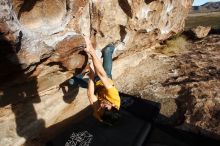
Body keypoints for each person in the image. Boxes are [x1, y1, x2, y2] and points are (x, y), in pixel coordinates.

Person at [69, 37, 121, 126]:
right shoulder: (114, 98)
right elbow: (102, 75)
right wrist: (91, 51)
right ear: (113, 105)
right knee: (107, 50)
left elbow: (90, 94)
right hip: (104, 80)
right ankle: (114, 46)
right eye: (105, 107)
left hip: (96, 88)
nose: (101, 106)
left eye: (101, 110)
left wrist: (92, 75)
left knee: (71, 81)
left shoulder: (101, 113)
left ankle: (82, 73)